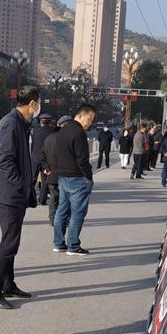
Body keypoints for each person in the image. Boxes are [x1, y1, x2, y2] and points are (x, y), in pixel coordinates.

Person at [0, 85, 42, 309]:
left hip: (15, 193)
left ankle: (8, 285)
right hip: (9, 194)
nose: (38, 107)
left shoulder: (20, 123)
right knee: (9, 243)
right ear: (32, 103)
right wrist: (21, 185)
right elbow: (4, 161)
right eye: (38, 103)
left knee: (12, 242)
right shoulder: (11, 123)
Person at [50, 103, 97, 255]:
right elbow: (82, 160)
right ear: (80, 116)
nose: (89, 123)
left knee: (61, 211)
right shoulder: (79, 133)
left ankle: (58, 243)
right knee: (77, 213)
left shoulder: (62, 131)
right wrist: (89, 177)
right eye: (89, 119)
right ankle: (73, 246)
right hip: (78, 178)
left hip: (63, 177)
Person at [39, 116, 68, 225]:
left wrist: (46, 168)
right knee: (64, 198)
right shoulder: (64, 139)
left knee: (53, 197)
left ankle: (52, 218)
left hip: (51, 173)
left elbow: (42, 155)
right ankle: (62, 219)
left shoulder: (47, 139)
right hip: (63, 173)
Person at [31, 112, 56, 198]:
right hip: (46, 159)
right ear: (49, 121)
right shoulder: (52, 131)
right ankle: (42, 198)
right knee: (45, 180)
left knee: (32, 178)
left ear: (41, 121)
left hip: (35, 157)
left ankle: (29, 197)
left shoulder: (35, 131)